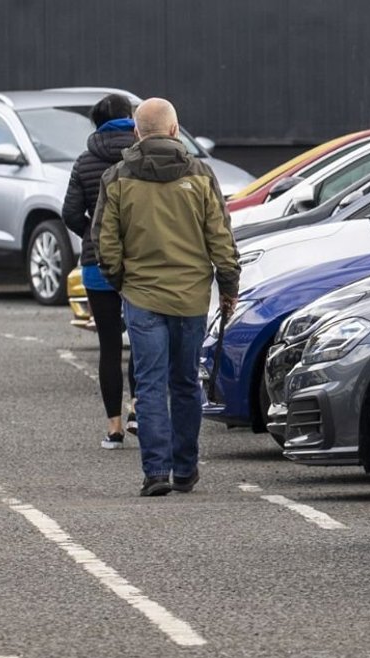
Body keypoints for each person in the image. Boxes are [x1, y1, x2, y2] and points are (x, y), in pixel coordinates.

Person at [93, 98, 240, 497]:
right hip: (191, 296)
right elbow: (220, 238)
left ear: (137, 133)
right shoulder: (201, 174)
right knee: (186, 382)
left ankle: (156, 471)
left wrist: (120, 280)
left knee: (150, 384)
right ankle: (185, 469)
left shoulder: (117, 177)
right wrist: (228, 286)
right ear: (175, 130)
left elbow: (105, 241)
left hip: (142, 294)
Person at [62, 94, 139, 449]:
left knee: (109, 346)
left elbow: (70, 213)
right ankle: (138, 409)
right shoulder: (140, 155)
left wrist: (92, 235)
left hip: (96, 264)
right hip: (140, 261)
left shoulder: (84, 160)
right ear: (130, 117)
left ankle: (114, 428)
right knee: (142, 340)